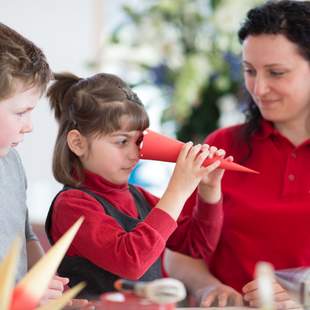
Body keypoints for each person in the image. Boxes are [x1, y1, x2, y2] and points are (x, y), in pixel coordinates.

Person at [165, 0, 310, 309]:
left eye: (276, 72)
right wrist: (209, 289)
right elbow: (177, 251)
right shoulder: (223, 146)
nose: (259, 88)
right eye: (249, 70)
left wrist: (301, 293)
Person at [44, 71, 231, 299]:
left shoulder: (138, 197)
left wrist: (209, 191)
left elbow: (197, 246)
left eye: (138, 141)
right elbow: (131, 262)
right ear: (78, 143)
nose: (135, 154)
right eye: (122, 141)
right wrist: (178, 190)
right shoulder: (72, 205)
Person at [0, 22, 89, 307]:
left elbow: (25, 237)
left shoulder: (11, 163)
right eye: (21, 112)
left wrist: (52, 293)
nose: (29, 127)